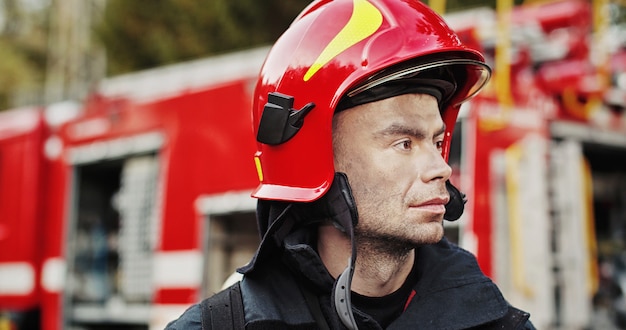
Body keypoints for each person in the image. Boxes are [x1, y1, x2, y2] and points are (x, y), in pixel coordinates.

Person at [166, 0, 535, 328]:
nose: (441, 168)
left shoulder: (499, 323)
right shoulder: (219, 325)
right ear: (313, 158)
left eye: (437, 142)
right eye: (404, 143)